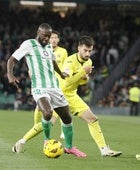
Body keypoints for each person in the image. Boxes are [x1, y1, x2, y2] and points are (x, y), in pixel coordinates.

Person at [13, 35, 122, 157]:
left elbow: (81, 82)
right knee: (48, 123)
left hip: (72, 96)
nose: (88, 53)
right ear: (79, 48)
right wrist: (82, 72)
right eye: (85, 50)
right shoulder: (70, 61)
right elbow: (66, 82)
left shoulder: (88, 62)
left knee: (92, 119)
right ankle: (22, 141)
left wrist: (84, 78)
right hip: (59, 94)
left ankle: (104, 150)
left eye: (90, 51)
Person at [7, 23, 86, 157]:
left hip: (54, 87)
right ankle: (47, 140)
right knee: (48, 113)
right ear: (38, 32)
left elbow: (53, 62)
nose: (47, 39)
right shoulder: (29, 44)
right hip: (39, 87)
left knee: (67, 118)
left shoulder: (49, 46)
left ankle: (69, 147)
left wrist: (61, 74)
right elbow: (12, 59)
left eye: (49, 36)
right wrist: (10, 73)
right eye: (45, 36)